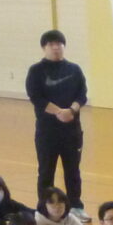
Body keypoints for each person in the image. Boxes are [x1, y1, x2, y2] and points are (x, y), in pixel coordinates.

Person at [26, 29, 88, 213]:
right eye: (51, 44)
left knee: (73, 171)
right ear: (44, 48)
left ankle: (76, 205)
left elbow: (82, 94)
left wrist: (72, 110)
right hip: (47, 132)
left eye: (59, 44)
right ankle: (45, 208)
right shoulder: (36, 71)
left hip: (72, 131)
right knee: (46, 171)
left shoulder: (74, 69)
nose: (56, 48)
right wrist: (58, 112)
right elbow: (36, 97)